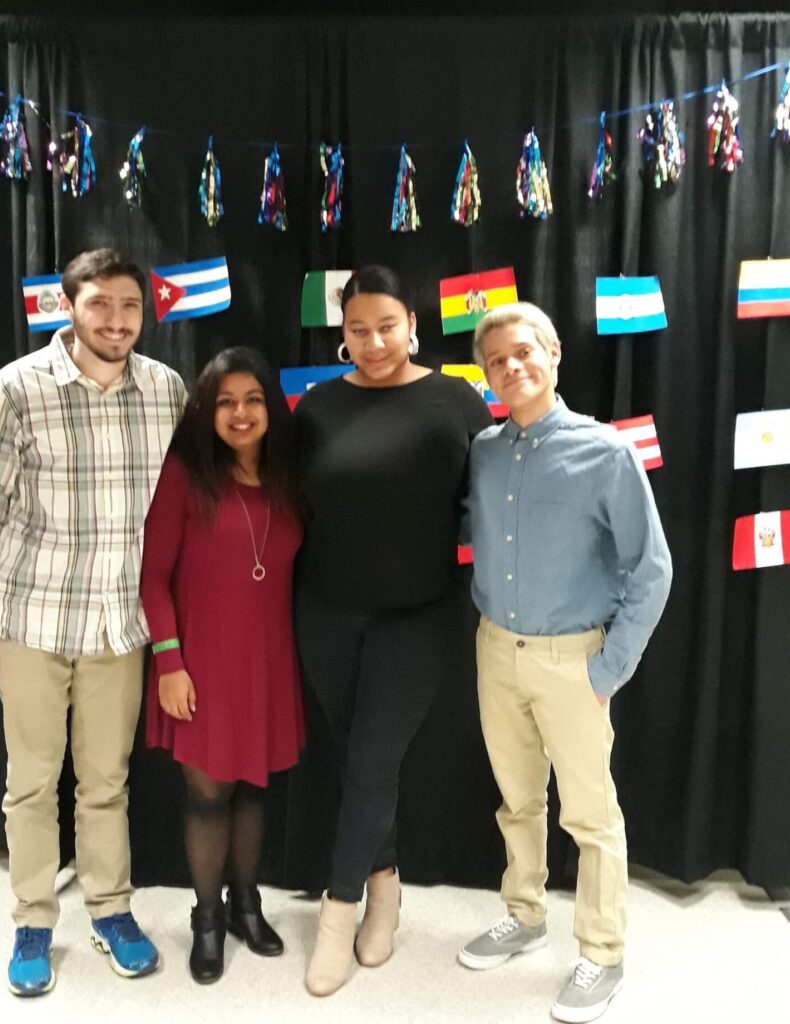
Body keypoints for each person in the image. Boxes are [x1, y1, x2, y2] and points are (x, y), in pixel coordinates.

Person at [0, 248, 187, 997]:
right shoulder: (17, 388)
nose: (115, 321)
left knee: (106, 782)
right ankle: (31, 918)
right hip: (31, 620)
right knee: (29, 785)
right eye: (99, 306)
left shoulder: (166, 390)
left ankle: (110, 909)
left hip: (121, 627)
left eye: (128, 307)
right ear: (70, 308)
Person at [458, 303, 673, 1023]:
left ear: (551, 353)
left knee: (589, 815)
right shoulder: (483, 451)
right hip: (495, 650)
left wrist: (606, 670)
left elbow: (651, 569)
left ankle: (601, 953)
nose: (509, 368)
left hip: (571, 659)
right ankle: (523, 914)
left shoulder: (604, 452)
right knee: (515, 798)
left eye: (522, 352)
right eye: (495, 361)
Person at [293, 265, 492, 996]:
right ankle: (385, 884)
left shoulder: (455, 398)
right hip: (324, 611)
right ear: (340, 335)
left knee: (374, 759)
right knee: (355, 759)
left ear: (412, 323)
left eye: (386, 325)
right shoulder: (316, 404)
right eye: (357, 329)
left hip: (420, 613)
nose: (373, 341)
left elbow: (501, 491)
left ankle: (337, 912)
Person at [140, 347, 306, 984]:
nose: (240, 413)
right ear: (206, 412)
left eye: (253, 399)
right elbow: (152, 580)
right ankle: (206, 919)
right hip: (199, 665)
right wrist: (170, 664)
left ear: (272, 407)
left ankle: (247, 906)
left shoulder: (289, 476)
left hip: (268, 662)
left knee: (255, 787)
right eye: (225, 402)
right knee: (209, 795)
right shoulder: (184, 475)